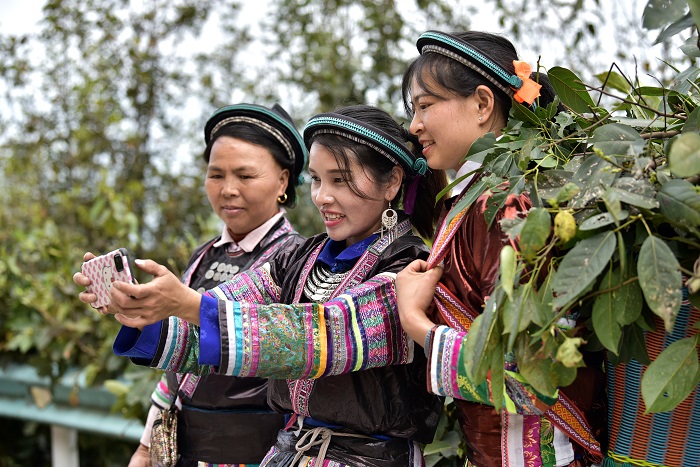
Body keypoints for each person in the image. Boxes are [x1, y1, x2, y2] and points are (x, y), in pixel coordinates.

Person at [75, 104, 447, 466]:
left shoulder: (407, 267)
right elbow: (212, 319)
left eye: (340, 180)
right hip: (289, 453)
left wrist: (187, 303)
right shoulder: (300, 258)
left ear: (393, 181)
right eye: (317, 179)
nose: (322, 197)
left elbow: (314, 340)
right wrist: (139, 308)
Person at [395, 31, 607, 466]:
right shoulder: (474, 197)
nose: (415, 126)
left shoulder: (506, 203)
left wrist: (416, 322)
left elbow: (531, 374)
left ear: (482, 104)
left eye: (425, 106)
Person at [87, 103, 309, 467]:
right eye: (216, 175)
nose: (228, 190)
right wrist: (146, 447)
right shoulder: (203, 255)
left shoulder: (296, 260)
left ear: (283, 181)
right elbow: (177, 373)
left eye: (245, 176)